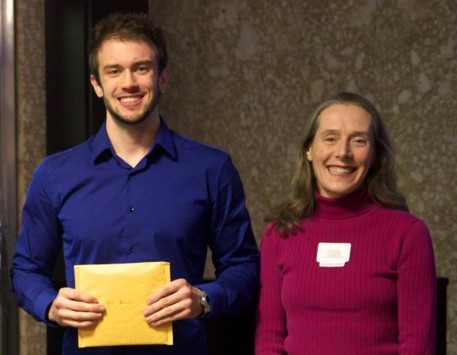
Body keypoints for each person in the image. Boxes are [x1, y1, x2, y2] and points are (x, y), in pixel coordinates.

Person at [11, 12, 259, 355]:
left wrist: (203, 299)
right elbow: (25, 269)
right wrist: (50, 305)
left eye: (141, 68)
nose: (128, 82)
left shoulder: (211, 169)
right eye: (114, 70)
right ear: (97, 84)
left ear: (163, 78)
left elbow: (244, 268)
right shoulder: (55, 175)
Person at [255, 92, 437, 354]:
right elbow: (269, 339)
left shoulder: (407, 234)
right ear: (309, 149)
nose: (343, 153)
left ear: (374, 154)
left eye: (359, 141)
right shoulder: (280, 232)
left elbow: (417, 346)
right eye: (330, 138)